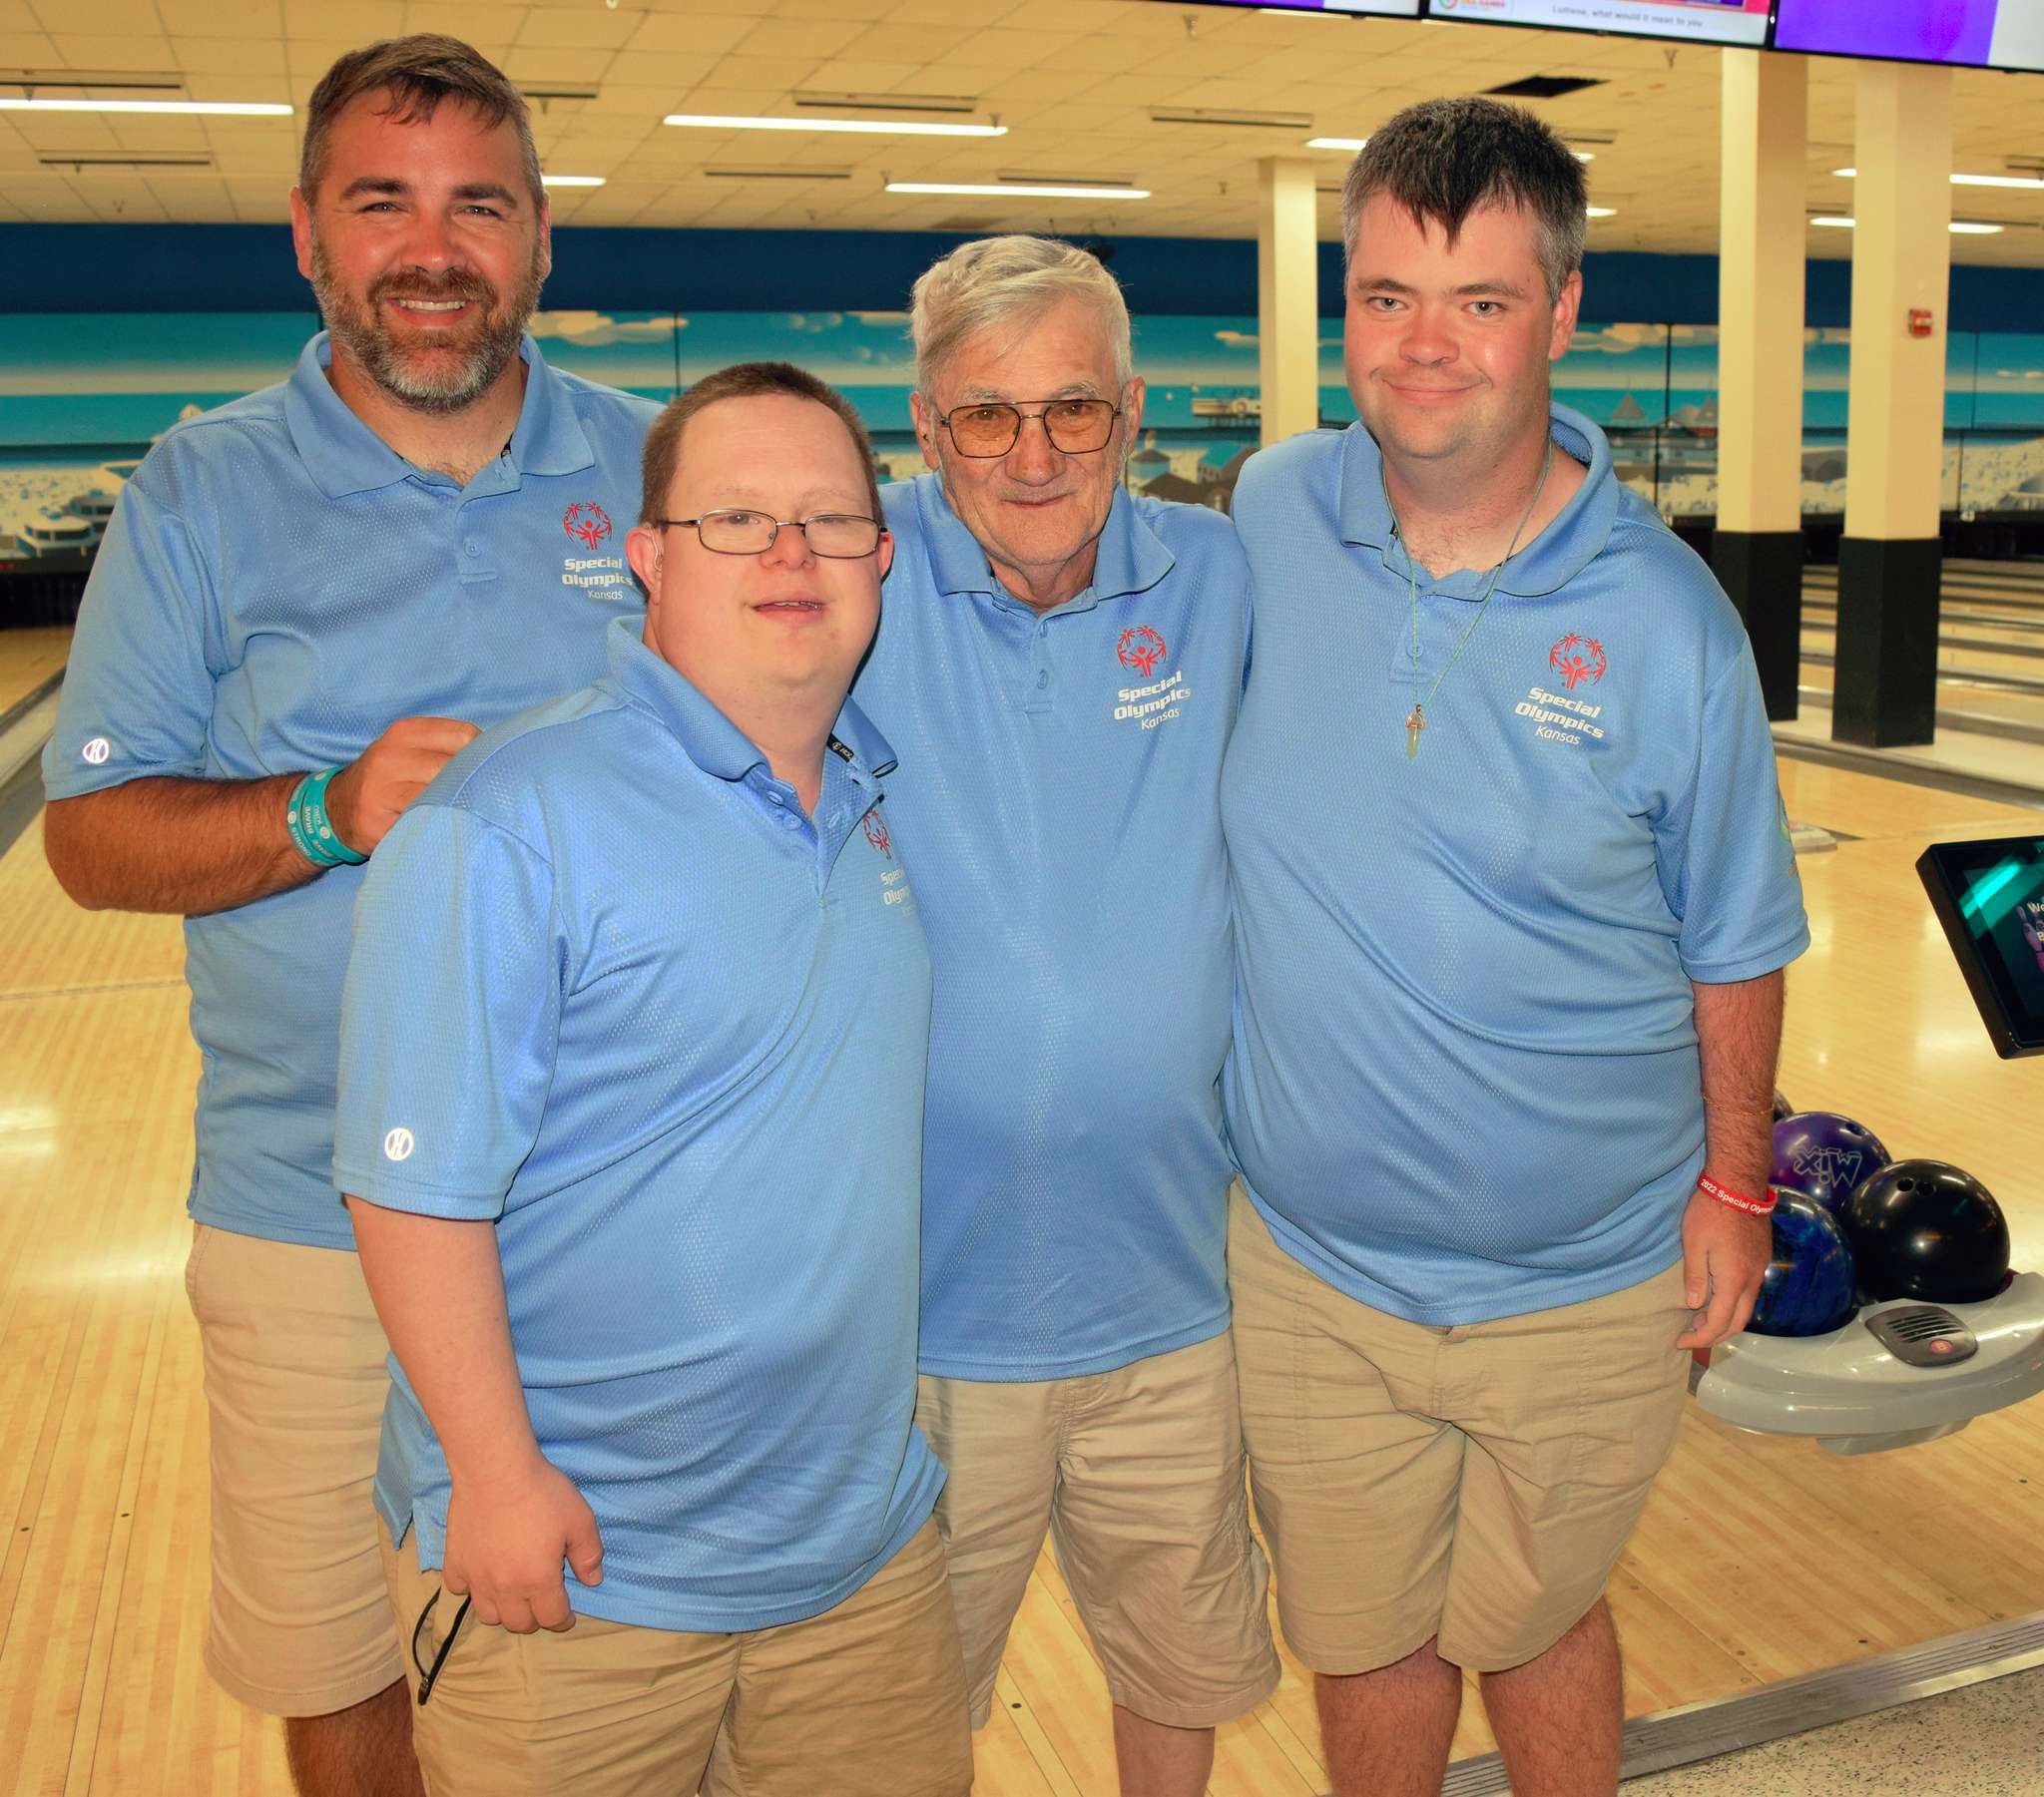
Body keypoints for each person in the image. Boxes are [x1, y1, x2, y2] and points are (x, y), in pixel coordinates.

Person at [39, 36, 655, 1796]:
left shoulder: (659, 466)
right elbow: (89, 836)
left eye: (480, 204)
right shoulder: (201, 490)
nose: (434, 246)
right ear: (308, 234)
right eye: (384, 201)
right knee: (347, 1666)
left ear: (542, 240)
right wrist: (326, 810)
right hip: (307, 1213)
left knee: (595, 1677)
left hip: (602, 1205)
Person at [1221, 98, 1809, 1797]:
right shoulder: (1268, 515)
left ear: (1559, 313)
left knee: (1538, 1618)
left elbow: (1738, 937)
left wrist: (1740, 1189)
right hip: (1313, 1270)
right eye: (1388, 294)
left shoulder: (1665, 621)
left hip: (1589, 1275)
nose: (1424, 346)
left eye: (1478, 300)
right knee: (1366, 1632)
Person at [334, 360, 969, 1797]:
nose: (793, 554)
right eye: (738, 519)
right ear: (647, 560)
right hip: (582, 1574)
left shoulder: (867, 795)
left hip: (857, 1562)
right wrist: (495, 1478)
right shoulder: (507, 818)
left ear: (882, 555)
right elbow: (410, 1189)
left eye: (829, 519)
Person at [852, 234, 1278, 1797]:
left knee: (1179, 1675)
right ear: (924, 419)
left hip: (1175, 1295)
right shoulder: (843, 573)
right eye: (986, 415)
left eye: (1074, 410)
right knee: (898, 1717)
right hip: (918, 1318)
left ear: (1133, 411)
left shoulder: (1218, 575)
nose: (1032, 455)